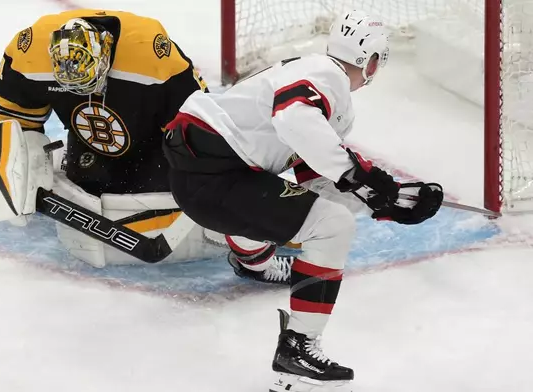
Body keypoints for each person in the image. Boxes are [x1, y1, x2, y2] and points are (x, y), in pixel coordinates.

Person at [163, 10, 443, 391]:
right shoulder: (327, 76)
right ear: (371, 60)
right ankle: (298, 348)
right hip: (213, 176)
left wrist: (387, 202)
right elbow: (295, 119)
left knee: (304, 209)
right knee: (332, 228)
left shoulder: (314, 79)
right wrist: (363, 176)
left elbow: (317, 181)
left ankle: (253, 262)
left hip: (205, 171)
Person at [0, 9, 210, 266]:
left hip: (154, 141)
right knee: (92, 186)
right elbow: (8, 121)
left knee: (161, 191)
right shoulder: (28, 52)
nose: (81, 92)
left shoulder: (153, 57)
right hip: (89, 140)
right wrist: (15, 177)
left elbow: (200, 126)